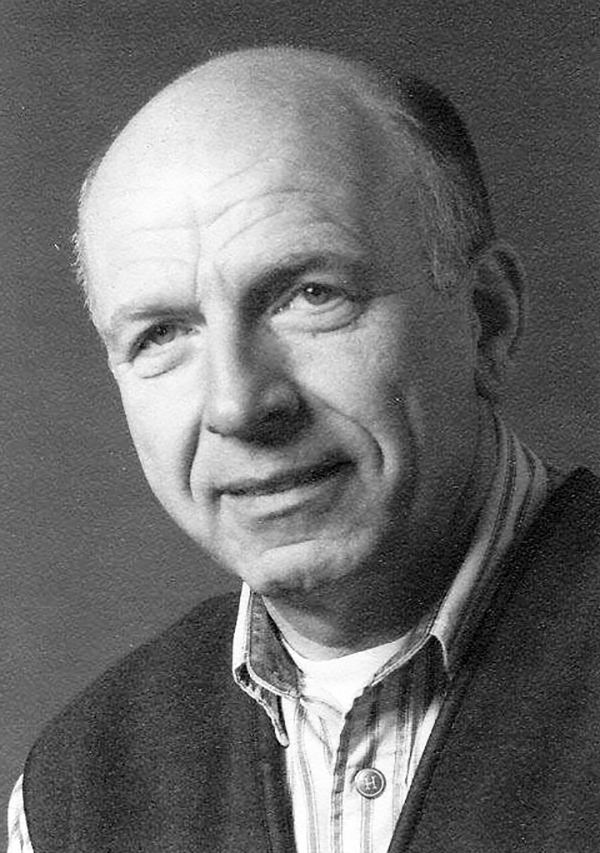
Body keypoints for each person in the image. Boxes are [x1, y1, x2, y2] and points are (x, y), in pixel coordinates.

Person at [7, 46, 600, 853]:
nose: (238, 403)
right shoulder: (72, 793)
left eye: (311, 295)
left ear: (486, 319)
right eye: (162, 334)